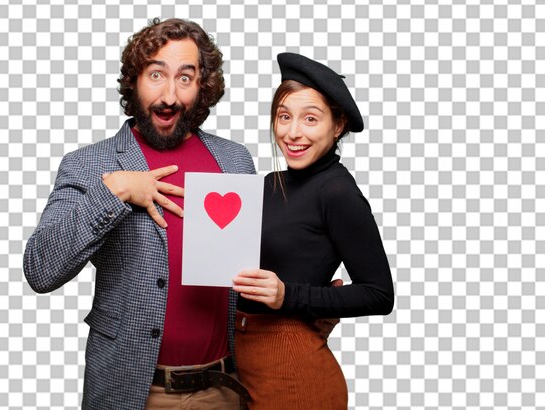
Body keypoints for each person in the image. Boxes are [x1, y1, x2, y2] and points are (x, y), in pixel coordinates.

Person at [23, 18, 254, 410]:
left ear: (203, 86)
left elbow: (249, 271)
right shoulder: (88, 164)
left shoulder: (234, 161)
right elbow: (41, 269)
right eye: (156, 74)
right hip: (131, 390)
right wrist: (115, 191)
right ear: (134, 81)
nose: (169, 95)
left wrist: (307, 301)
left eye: (186, 77)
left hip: (223, 387)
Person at [232, 53, 395, 409]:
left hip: (293, 368)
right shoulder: (268, 184)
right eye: (284, 117)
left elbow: (379, 294)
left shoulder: (337, 192)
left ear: (338, 125)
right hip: (237, 359)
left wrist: (288, 296)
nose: (293, 133)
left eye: (310, 119)